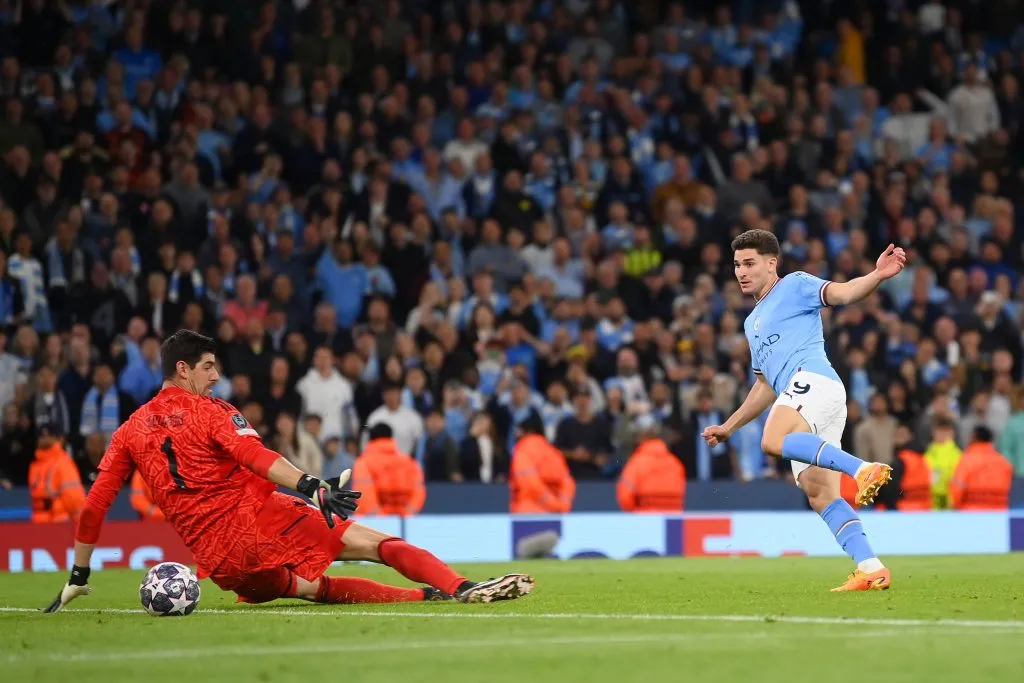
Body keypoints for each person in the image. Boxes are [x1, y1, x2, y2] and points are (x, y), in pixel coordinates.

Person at [44, 330, 534, 613]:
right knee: (374, 543)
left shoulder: (129, 429)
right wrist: (311, 487)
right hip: (257, 521)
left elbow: (94, 506)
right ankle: (463, 588)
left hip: (224, 567)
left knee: (314, 589)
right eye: (209, 367)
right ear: (183, 369)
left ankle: (422, 596)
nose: (216, 376)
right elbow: (257, 458)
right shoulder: (212, 412)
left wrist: (79, 573)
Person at [702, 229, 905, 592]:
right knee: (820, 494)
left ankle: (862, 469)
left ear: (771, 263)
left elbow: (843, 293)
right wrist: (729, 427)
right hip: (804, 397)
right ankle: (871, 568)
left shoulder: (794, 285)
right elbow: (764, 385)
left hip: (814, 381)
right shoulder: (751, 323)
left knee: (773, 439)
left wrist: (876, 276)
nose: (741, 272)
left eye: (749, 263)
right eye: (736, 265)